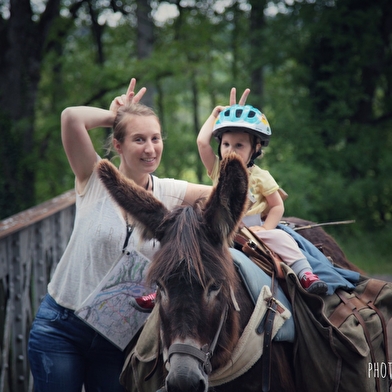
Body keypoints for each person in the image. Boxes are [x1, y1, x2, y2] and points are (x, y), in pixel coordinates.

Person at [27, 78, 212, 392]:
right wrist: (115, 116)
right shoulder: (95, 176)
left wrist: (221, 147)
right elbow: (71, 117)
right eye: (138, 139)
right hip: (62, 328)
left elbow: (231, 198)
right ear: (118, 145)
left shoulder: (171, 192)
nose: (150, 148)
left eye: (155, 138)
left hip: (119, 339)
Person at [197, 102, 328, 295]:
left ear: (256, 148)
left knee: (282, 238)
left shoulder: (261, 176)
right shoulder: (218, 169)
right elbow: (202, 143)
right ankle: (162, 290)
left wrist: (266, 228)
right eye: (225, 144)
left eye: (239, 145)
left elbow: (276, 206)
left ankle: (305, 274)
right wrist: (214, 115)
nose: (230, 150)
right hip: (220, 229)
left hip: (252, 231)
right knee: (187, 244)